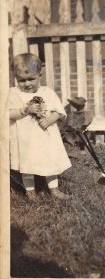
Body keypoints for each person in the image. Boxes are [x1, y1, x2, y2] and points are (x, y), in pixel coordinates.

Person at [8, 53, 72, 200]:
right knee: (27, 165)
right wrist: (25, 110)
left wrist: (50, 119)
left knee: (49, 161)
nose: (27, 84)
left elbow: (59, 111)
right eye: (22, 80)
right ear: (15, 78)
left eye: (31, 79)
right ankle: (30, 192)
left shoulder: (47, 93)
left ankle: (54, 190)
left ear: (40, 75)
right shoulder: (14, 93)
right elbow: (8, 114)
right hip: (25, 139)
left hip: (45, 138)